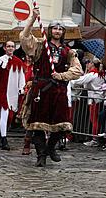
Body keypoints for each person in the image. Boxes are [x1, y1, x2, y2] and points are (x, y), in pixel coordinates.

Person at [19, 9, 82, 167]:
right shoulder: (40, 45)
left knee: (62, 125)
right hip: (41, 89)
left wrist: (62, 76)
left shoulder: (68, 51)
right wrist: (32, 19)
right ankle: (41, 155)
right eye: (55, 28)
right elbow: (24, 38)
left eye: (60, 29)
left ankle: (50, 149)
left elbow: (77, 70)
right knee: (38, 125)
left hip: (58, 91)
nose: (57, 31)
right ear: (50, 30)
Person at [0, 41, 25, 151]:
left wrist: (22, 88)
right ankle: (4, 138)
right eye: (8, 46)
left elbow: (21, 76)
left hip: (13, 92)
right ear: (5, 48)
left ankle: (1, 134)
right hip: (2, 91)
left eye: (12, 46)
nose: (10, 48)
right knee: (4, 113)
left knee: (10, 116)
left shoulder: (18, 62)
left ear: (14, 48)